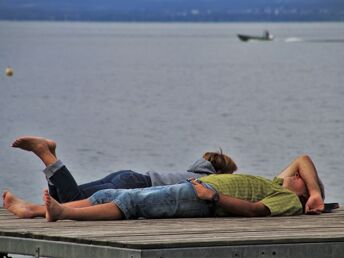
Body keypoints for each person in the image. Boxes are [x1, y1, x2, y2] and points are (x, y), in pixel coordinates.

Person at [3, 154, 325, 221]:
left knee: (133, 205)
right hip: (195, 188)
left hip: (200, 197)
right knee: (112, 196)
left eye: (300, 179)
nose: (295, 174)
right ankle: (38, 209)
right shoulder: (278, 184)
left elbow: (255, 211)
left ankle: (60, 211)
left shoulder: (287, 199)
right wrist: (315, 193)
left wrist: (213, 196)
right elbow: (302, 159)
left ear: (296, 189)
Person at [10, 136, 237, 203]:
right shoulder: (206, 182)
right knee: (73, 199)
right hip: (132, 186)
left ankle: (50, 154)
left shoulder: (191, 173)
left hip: (129, 176)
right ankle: (44, 152)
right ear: (222, 174)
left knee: (64, 200)